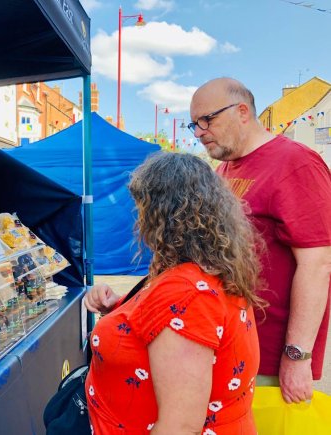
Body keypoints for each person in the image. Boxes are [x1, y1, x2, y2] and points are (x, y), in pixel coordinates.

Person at [84, 153, 263, 434]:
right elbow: (164, 328)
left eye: (142, 208)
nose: (139, 219)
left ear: (163, 214)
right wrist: (118, 308)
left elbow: (179, 426)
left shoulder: (187, 292)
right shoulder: (205, 272)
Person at [189, 77, 331, 404]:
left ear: (242, 112)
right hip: (228, 344)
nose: (198, 133)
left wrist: (297, 357)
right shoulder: (224, 169)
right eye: (193, 124)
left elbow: (318, 263)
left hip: (269, 357)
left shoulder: (296, 162)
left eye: (206, 120)